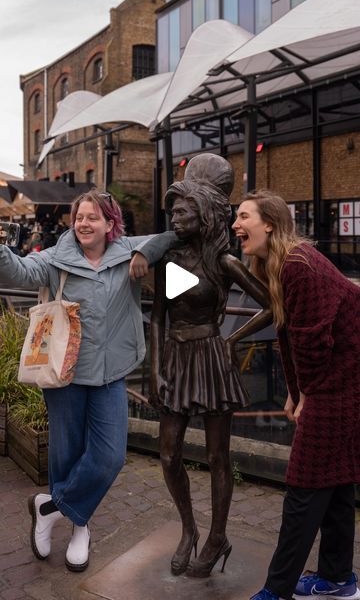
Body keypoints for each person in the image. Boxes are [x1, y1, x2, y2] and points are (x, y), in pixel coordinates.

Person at [0, 189, 178, 572]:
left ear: (111, 224)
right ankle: (80, 526)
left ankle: (48, 507)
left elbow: (172, 236)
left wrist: (147, 254)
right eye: (79, 216)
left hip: (112, 374)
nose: (83, 223)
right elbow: (18, 271)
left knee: (110, 456)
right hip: (64, 374)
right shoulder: (56, 258)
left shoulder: (127, 250)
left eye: (92, 217)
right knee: (65, 455)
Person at [230, 189, 360, 600]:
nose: (236, 225)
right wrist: (294, 391)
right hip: (340, 380)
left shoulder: (299, 265)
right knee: (337, 482)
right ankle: (339, 580)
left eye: (244, 216)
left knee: (305, 486)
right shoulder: (282, 264)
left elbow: (313, 343)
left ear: (269, 222)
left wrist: (308, 394)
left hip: (344, 381)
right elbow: (292, 335)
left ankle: (278, 590)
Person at [150, 155, 272, 578]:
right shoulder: (170, 260)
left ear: (202, 214)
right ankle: (189, 530)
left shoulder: (224, 263)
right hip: (178, 360)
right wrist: (155, 368)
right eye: (173, 210)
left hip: (211, 359)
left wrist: (232, 340)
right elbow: (159, 317)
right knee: (168, 455)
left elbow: (272, 306)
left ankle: (217, 536)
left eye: (181, 210)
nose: (174, 217)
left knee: (219, 455)